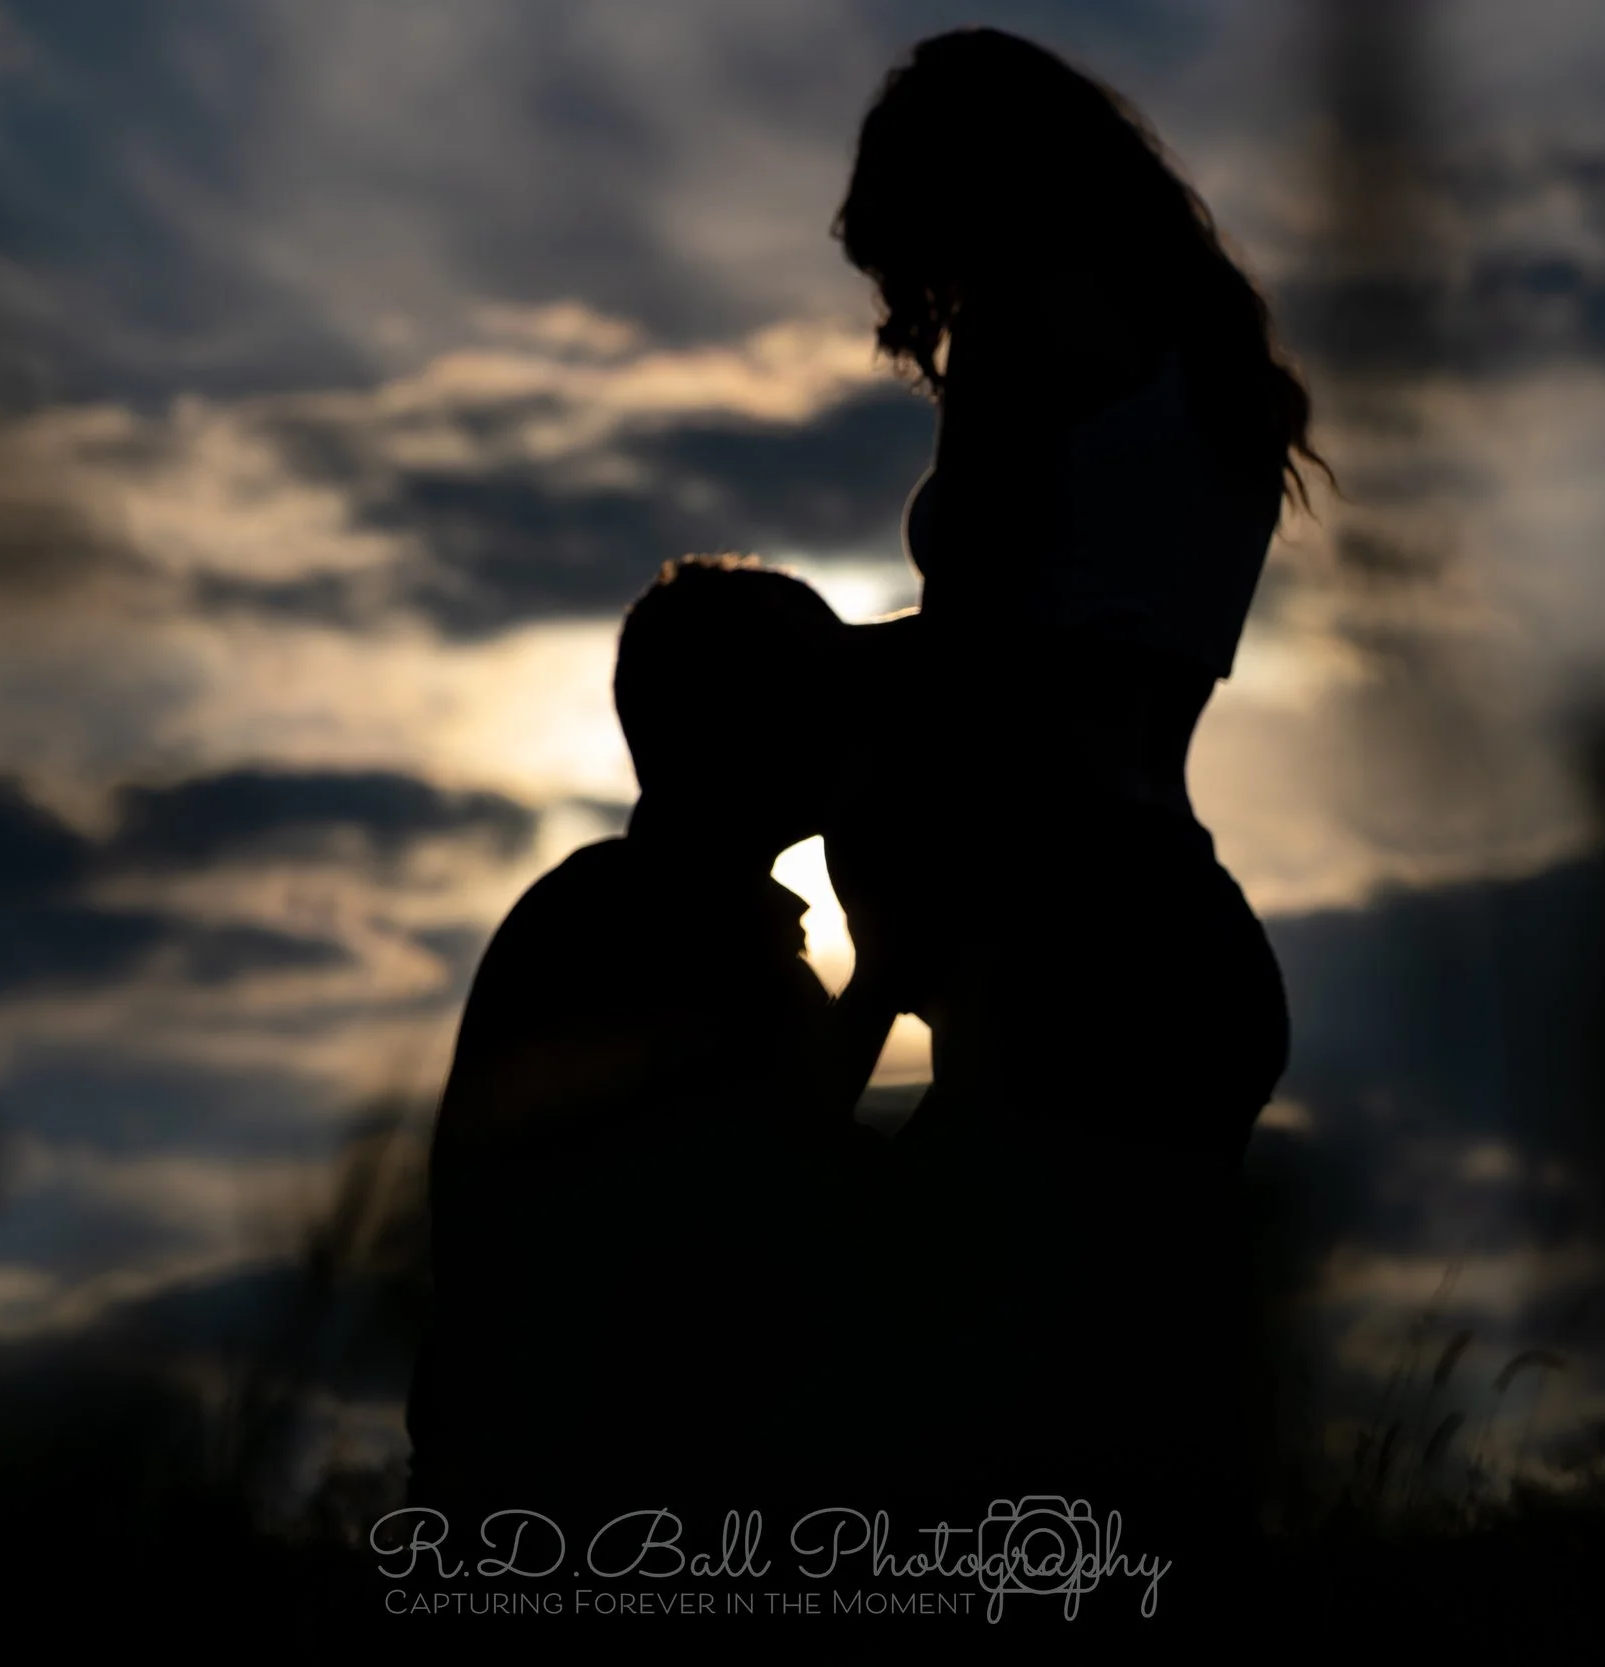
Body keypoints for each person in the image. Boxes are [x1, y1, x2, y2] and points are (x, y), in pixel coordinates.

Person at [822, 26, 1317, 1600]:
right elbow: (1099, 648)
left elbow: (987, 650)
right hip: (1173, 920)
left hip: (1070, 941)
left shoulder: (1029, 332)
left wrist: (792, 669)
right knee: (1141, 1456)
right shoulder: (1208, 366)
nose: (927, 293)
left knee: (981, 1456)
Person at [403, 556, 899, 1539]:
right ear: (743, 722)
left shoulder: (618, 915)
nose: (852, 721)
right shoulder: (646, 928)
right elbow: (787, 1179)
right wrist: (888, 973)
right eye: (816, 691)